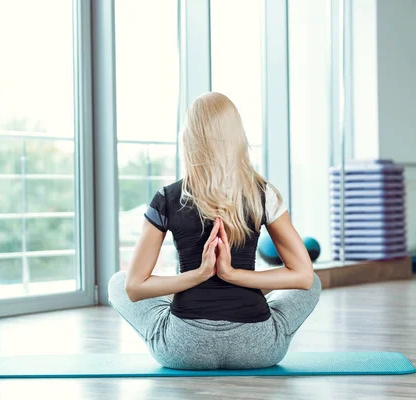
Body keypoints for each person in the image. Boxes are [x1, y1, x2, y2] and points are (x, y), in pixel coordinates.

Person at [109, 92, 321, 370]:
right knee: (314, 282)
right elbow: (304, 276)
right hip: (258, 349)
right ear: (237, 137)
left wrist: (198, 275)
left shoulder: (166, 198)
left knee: (117, 282)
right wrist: (233, 275)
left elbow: (134, 288)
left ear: (189, 138)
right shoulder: (263, 194)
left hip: (182, 349)